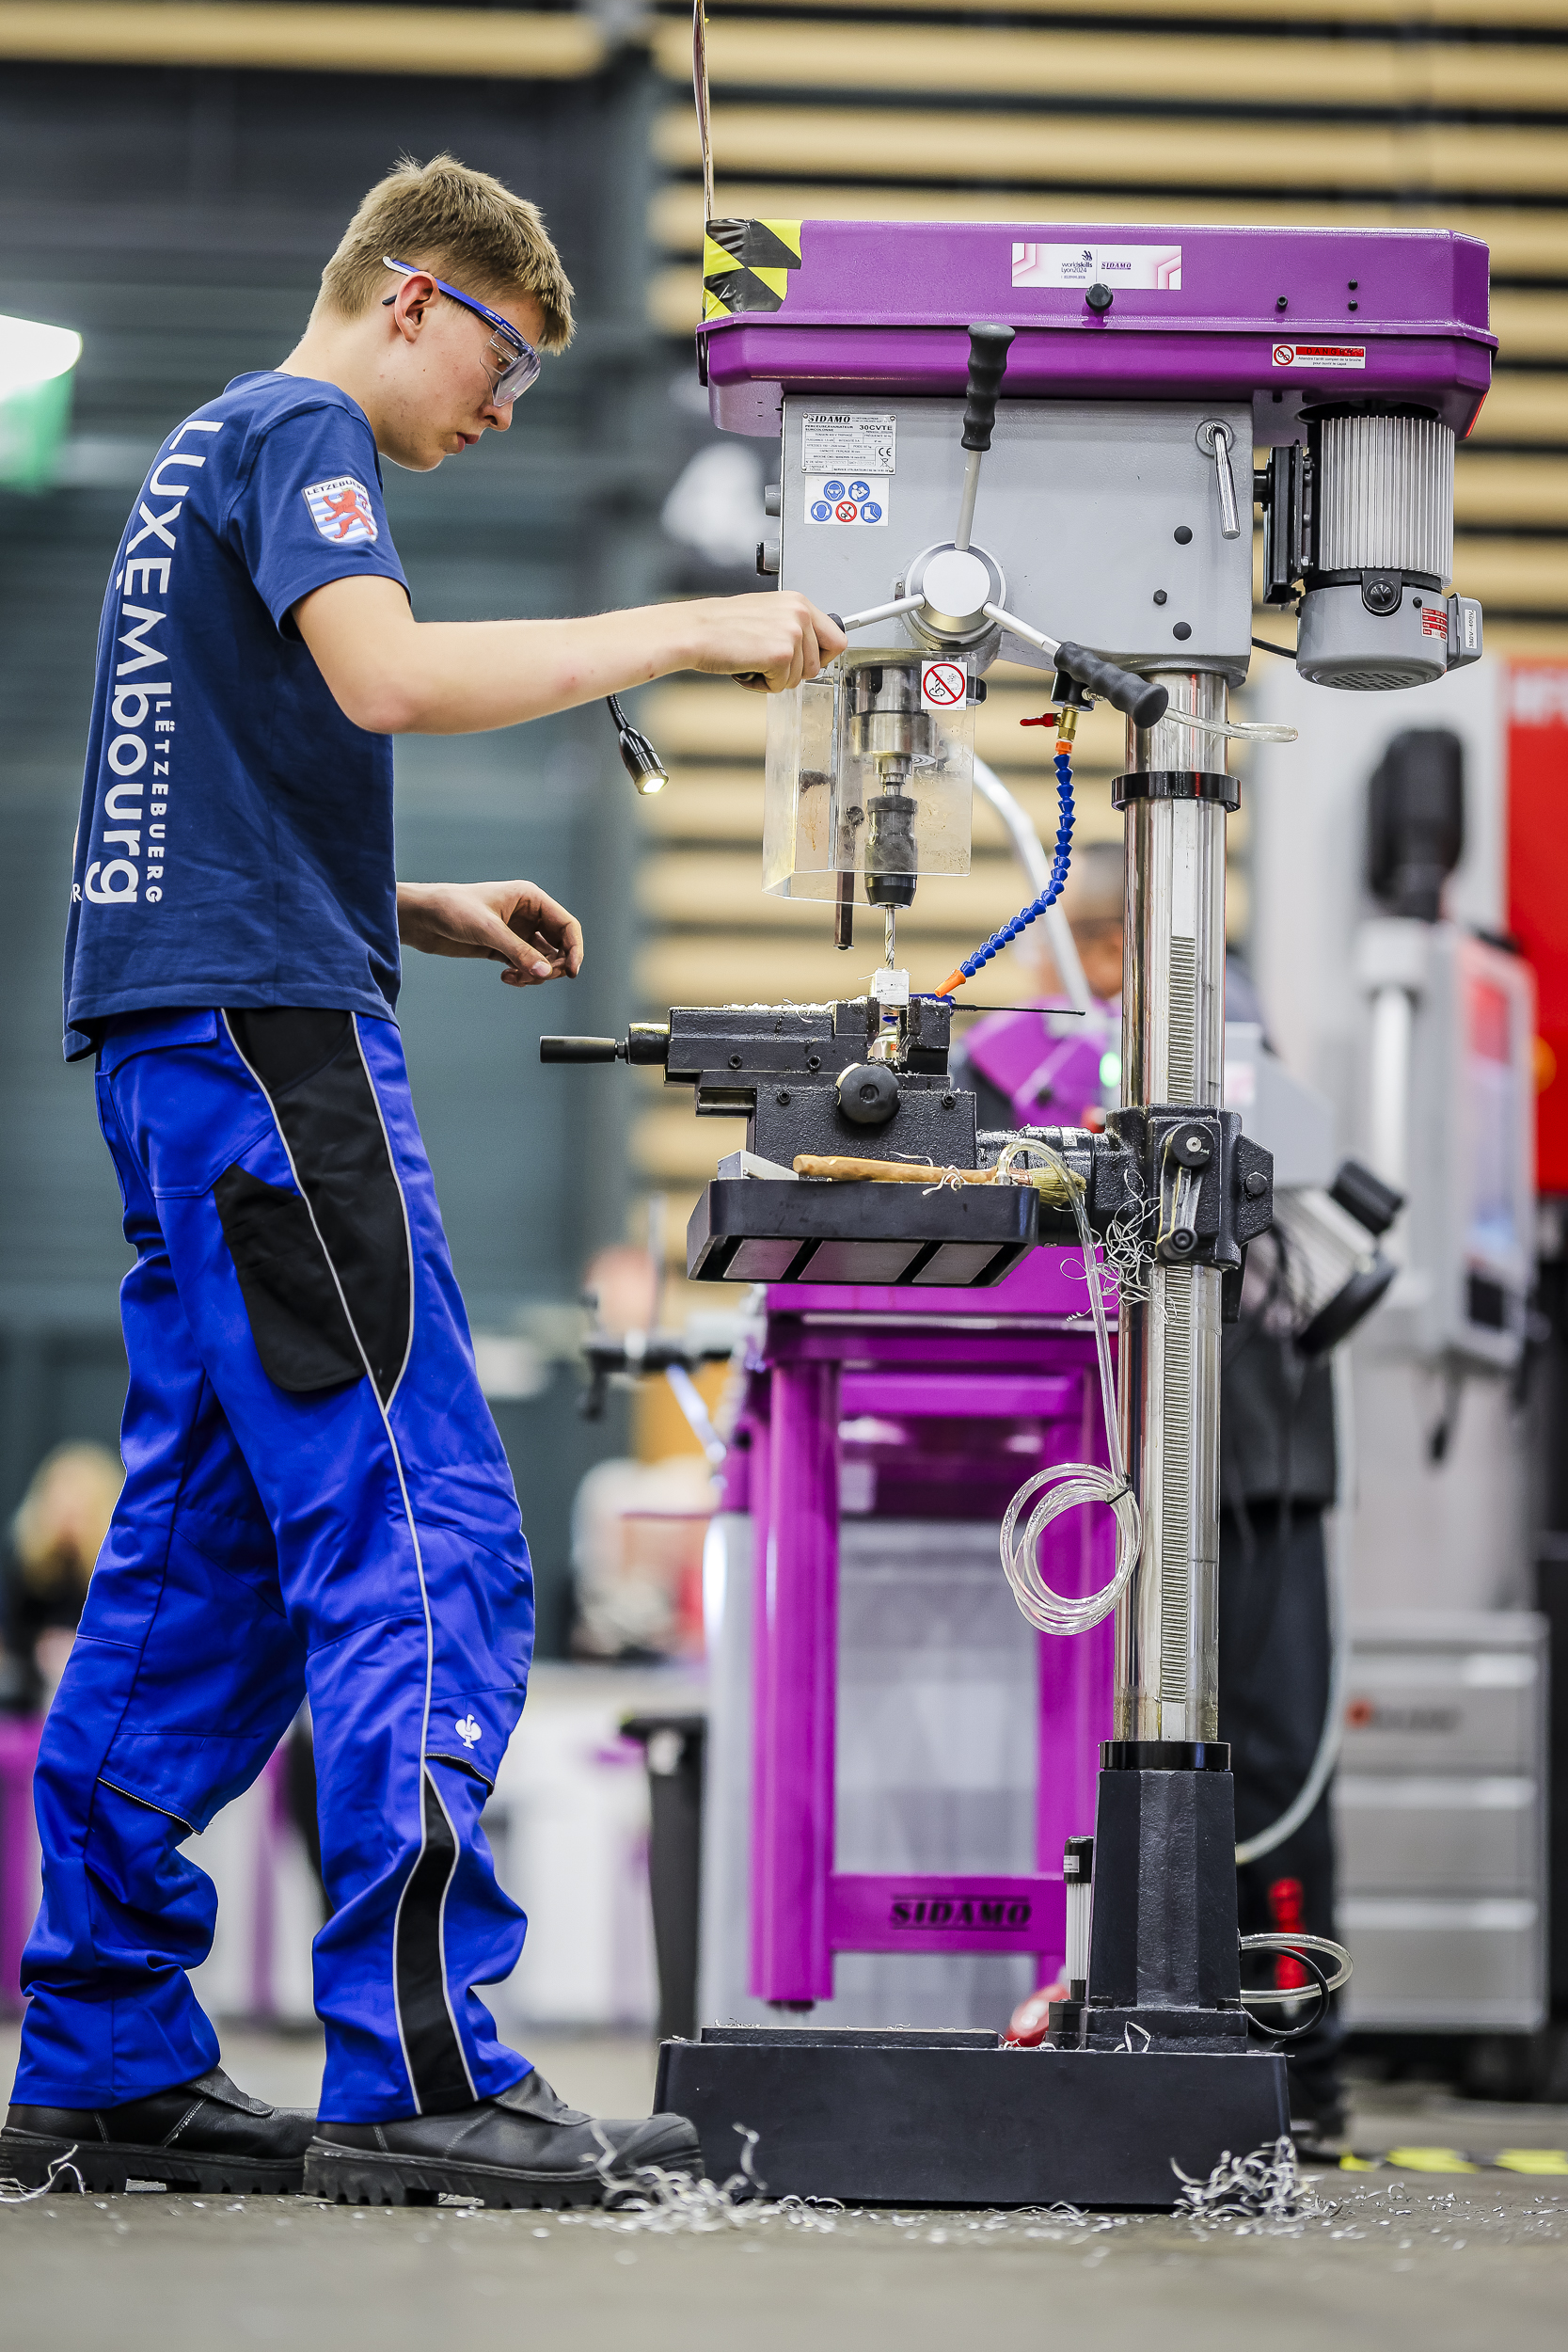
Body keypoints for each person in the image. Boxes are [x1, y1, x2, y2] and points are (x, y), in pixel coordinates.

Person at [0, 153, 843, 2205]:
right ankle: (423, 2062)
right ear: (402, 294)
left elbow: (200, 802)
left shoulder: (207, 456)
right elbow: (385, 674)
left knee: (199, 1560)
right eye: (502, 357)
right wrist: (698, 625)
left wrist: (411, 902)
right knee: (423, 1519)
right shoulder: (298, 427)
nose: (505, 407)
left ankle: (97, 2043)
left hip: (182, 1048)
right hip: (263, 1061)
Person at [989, 842, 1347, 2140]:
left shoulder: (1202, 1024)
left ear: (1099, 957)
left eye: (1057, 964)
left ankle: (1299, 2070)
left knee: (1263, 1755)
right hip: (1205, 1446)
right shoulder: (1151, 1033)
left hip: (1246, 1455)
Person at [0, 1444, 123, 1715]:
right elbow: (15, 1636)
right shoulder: (29, 1563)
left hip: (92, 1695)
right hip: (33, 1696)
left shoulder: (112, 1571)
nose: (67, 1511)